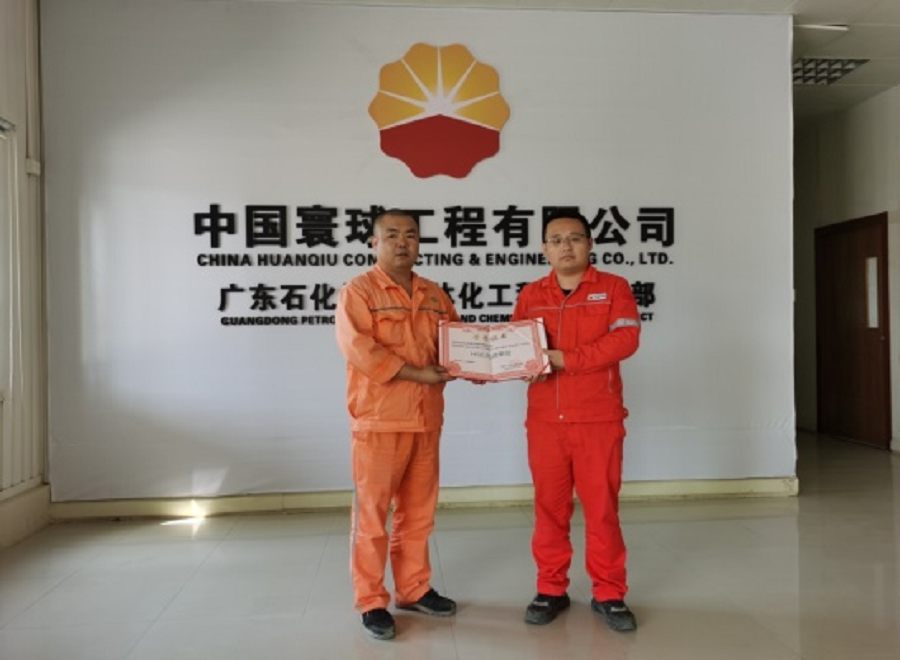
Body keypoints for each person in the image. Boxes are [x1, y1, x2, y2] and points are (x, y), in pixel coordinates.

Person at [511, 210, 641, 632]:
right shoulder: (532, 293)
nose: (565, 246)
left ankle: (610, 593)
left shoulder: (614, 288)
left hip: (597, 418)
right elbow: (515, 344)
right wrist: (514, 364)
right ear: (544, 249)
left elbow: (625, 339)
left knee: (602, 509)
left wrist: (566, 359)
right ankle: (550, 588)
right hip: (546, 421)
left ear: (589, 244)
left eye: (574, 238)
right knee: (549, 509)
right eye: (556, 240)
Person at [335, 208, 460, 641]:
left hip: (426, 419)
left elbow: (457, 342)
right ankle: (371, 600)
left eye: (410, 234)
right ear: (374, 242)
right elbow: (360, 350)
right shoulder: (359, 291)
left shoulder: (434, 294)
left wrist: (486, 363)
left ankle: (414, 588)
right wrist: (417, 374)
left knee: (418, 512)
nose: (402, 242)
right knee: (372, 516)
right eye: (392, 234)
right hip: (379, 421)